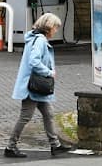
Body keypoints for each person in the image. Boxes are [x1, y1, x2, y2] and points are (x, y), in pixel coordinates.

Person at [5, 13, 71, 157]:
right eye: (55, 27)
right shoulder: (40, 40)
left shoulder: (35, 38)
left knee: (49, 114)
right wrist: (49, 72)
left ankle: (55, 145)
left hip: (37, 87)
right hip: (33, 87)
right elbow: (34, 61)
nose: (56, 31)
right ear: (49, 27)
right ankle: (10, 147)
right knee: (25, 116)